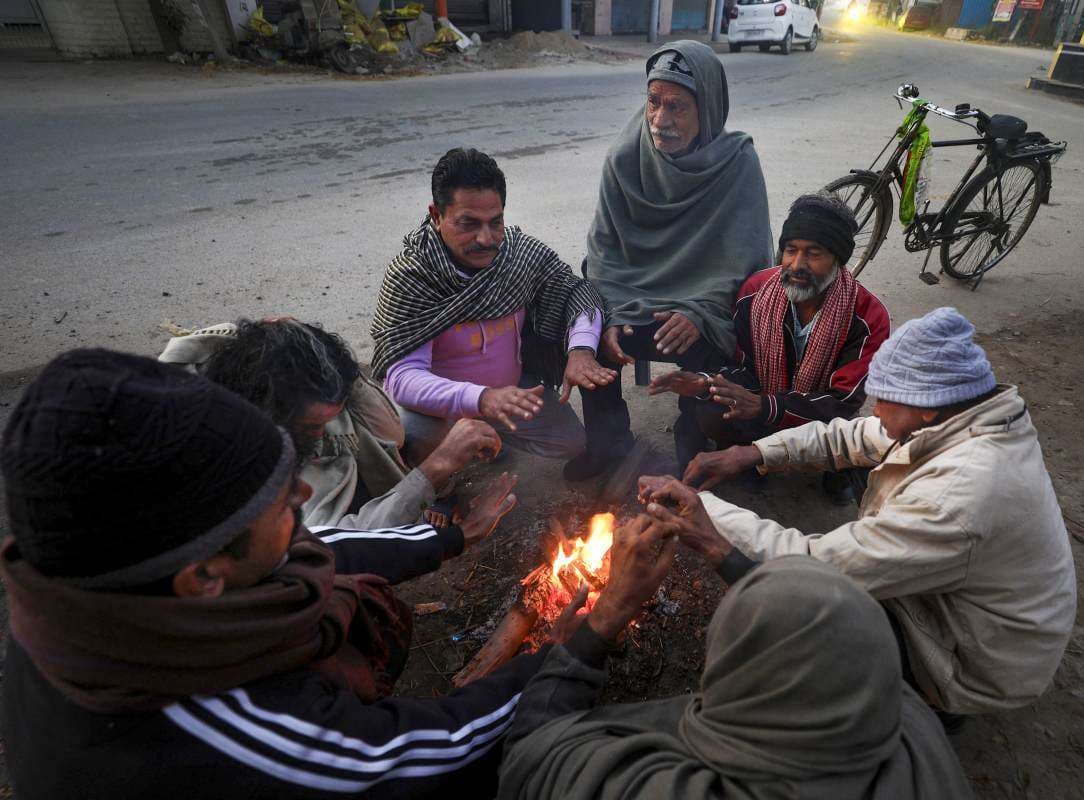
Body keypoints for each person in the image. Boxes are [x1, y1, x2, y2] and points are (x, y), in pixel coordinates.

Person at [0, 349, 651, 800]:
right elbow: (447, 751)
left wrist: (444, 535)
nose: (303, 500)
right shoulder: (237, 737)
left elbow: (318, 548)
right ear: (203, 578)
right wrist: (591, 632)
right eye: (280, 500)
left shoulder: (83, 589)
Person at [657, 308, 1078, 716]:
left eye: (882, 400)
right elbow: (849, 436)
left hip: (975, 663)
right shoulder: (959, 418)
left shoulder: (959, 494)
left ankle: (921, 706)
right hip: (970, 614)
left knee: (793, 615)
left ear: (926, 405)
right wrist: (751, 452)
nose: (873, 411)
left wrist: (703, 510)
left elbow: (816, 567)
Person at [498, 555, 972, 799]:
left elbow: (529, 756)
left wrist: (606, 618)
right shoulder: (916, 728)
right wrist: (724, 554)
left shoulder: (662, 789)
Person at [567, 40, 774, 480]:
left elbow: (750, 265)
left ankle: (693, 436)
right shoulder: (624, 158)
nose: (661, 121)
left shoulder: (737, 163)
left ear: (708, 108)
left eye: (677, 107)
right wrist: (614, 310)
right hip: (630, 296)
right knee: (589, 325)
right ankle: (608, 443)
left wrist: (701, 312)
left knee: (716, 335)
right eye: (654, 103)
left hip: (696, 304)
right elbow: (602, 250)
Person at [371, 147, 612, 473]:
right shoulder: (412, 275)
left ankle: (488, 446)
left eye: (495, 222)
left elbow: (575, 291)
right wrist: (481, 398)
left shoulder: (517, 254)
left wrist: (581, 349)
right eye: (468, 223)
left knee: (570, 442)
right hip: (442, 412)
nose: (486, 239)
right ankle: (442, 488)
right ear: (436, 215)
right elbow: (402, 378)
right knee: (415, 437)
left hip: (510, 395)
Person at [650, 194, 890, 503]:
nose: (797, 265)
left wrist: (765, 406)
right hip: (763, 397)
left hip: (821, 415)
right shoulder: (756, 293)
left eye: (814, 254)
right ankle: (754, 459)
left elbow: (842, 402)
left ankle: (833, 469)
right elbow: (742, 366)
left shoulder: (868, 316)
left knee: (858, 435)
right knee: (710, 409)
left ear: (838, 261)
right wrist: (705, 383)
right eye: (790, 251)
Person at [161, 318, 505, 532]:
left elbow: (390, 433)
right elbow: (333, 544)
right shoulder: (233, 448)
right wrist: (436, 469)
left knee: (421, 428)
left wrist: (346, 376)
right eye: (314, 427)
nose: (325, 432)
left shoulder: (262, 355)